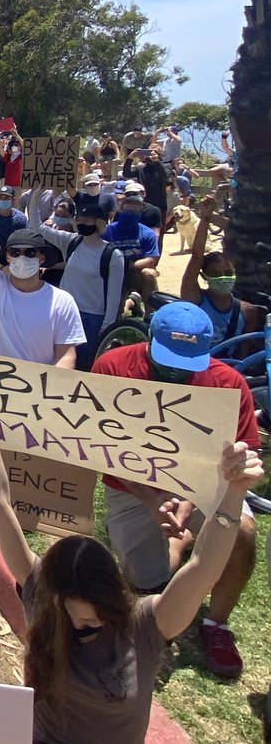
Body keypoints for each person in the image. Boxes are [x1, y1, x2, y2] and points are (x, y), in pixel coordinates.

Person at [0, 379, 260, 743]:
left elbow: (203, 568)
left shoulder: (147, 626)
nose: (76, 627)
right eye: (68, 616)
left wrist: (233, 491)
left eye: (88, 621)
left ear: (113, 601)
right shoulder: (39, 589)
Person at [93, 302, 259, 679]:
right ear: (148, 336)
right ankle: (178, 544)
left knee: (243, 535)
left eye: (189, 360)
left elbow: (243, 454)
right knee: (143, 580)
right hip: (135, 485)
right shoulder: (113, 367)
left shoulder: (230, 384)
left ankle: (216, 625)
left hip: (206, 485)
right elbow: (100, 448)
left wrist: (188, 498)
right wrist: (153, 500)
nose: (178, 370)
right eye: (169, 357)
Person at [0, 188, 84, 367]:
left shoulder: (63, 301)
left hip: (36, 390)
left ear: (41, 258)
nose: (22, 257)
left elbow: (66, 355)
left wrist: (49, 386)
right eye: (15, 252)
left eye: (30, 253)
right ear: (7, 257)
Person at [27, 199, 124, 368]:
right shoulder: (71, 242)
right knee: (54, 361)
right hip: (63, 312)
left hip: (91, 319)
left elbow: (114, 294)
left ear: (98, 222)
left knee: (81, 367)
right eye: (79, 219)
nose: (81, 223)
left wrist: (107, 326)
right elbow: (37, 228)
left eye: (87, 220)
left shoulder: (112, 255)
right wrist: (35, 198)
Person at [180, 195, 261, 349]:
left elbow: (242, 356)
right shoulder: (196, 299)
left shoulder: (248, 312)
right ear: (204, 276)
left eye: (228, 272)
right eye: (216, 274)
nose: (223, 277)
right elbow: (197, 256)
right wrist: (205, 219)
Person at [102, 189, 161, 306]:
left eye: (134, 212)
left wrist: (130, 265)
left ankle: (149, 314)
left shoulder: (147, 233)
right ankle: (129, 302)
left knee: (149, 274)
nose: (129, 214)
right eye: (127, 211)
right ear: (121, 211)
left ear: (139, 214)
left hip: (135, 271)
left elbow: (152, 259)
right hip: (113, 270)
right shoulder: (108, 230)